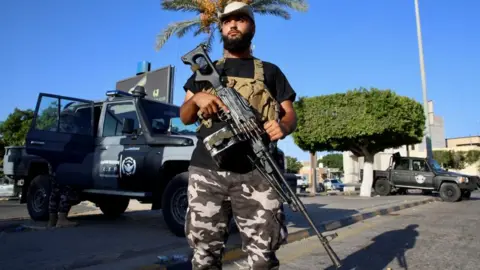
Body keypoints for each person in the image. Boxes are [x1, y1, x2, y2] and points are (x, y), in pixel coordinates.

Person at [180, 1, 298, 269]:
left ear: (252, 26)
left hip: (257, 171)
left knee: (262, 256)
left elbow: (290, 114)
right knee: (204, 254)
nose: (233, 24)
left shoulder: (270, 71)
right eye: (227, 21)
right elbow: (185, 116)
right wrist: (197, 97)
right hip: (207, 171)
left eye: (240, 19)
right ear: (221, 28)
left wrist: (284, 126)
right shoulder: (204, 72)